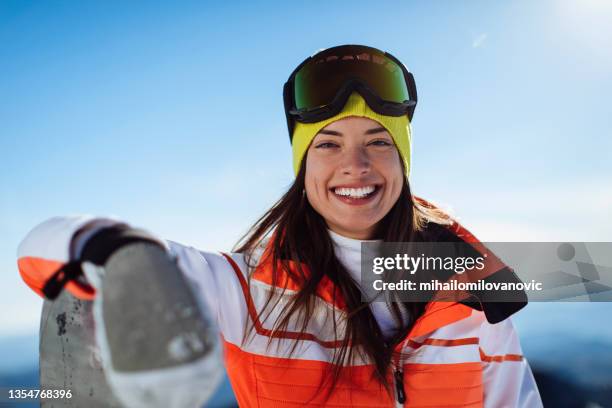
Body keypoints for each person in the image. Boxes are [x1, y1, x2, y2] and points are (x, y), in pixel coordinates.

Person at [17, 44, 543, 407]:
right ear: (303, 167)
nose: (355, 166)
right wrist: (124, 258)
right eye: (328, 144)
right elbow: (43, 251)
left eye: (378, 142)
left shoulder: (471, 299)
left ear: (402, 161)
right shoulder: (246, 291)